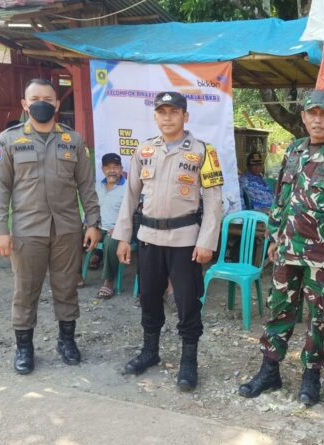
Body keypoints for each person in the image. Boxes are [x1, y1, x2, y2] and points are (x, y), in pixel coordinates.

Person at [237, 89, 324, 407]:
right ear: (304, 117)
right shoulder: (294, 150)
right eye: (312, 113)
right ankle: (270, 370)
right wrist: (273, 237)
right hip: (287, 251)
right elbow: (281, 198)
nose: (317, 120)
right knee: (279, 309)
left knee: (320, 317)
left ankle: (312, 377)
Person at [112, 91, 223, 392]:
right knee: (149, 297)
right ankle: (150, 351)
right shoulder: (144, 150)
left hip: (185, 239)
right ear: (155, 116)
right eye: (162, 112)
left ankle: (189, 361)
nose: (168, 117)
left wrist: (207, 241)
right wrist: (123, 237)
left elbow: (214, 201)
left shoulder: (204, 151)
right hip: (149, 238)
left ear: (185, 116)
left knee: (187, 301)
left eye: (174, 112)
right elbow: (130, 195)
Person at [0, 78, 101, 375]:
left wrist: (93, 223)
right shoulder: (9, 140)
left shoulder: (73, 140)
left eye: (48, 99)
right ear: (25, 104)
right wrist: (1, 229)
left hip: (67, 229)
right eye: (35, 98)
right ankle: (24, 348)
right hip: (27, 231)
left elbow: (86, 186)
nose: (42, 103)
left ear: (57, 103)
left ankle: (67, 341)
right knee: (26, 290)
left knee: (66, 287)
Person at [92, 153, 127, 299]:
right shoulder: (97, 186)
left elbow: (134, 212)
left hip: (118, 229)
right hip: (99, 227)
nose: (112, 170)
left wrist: (120, 228)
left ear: (121, 168)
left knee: (110, 242)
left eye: (115, 167)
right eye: (108, 167)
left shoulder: (128, 188)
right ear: (102, 169)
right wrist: (90, 225)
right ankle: (75, 275)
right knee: (73, 235)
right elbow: (91, 208)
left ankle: (109, 281)